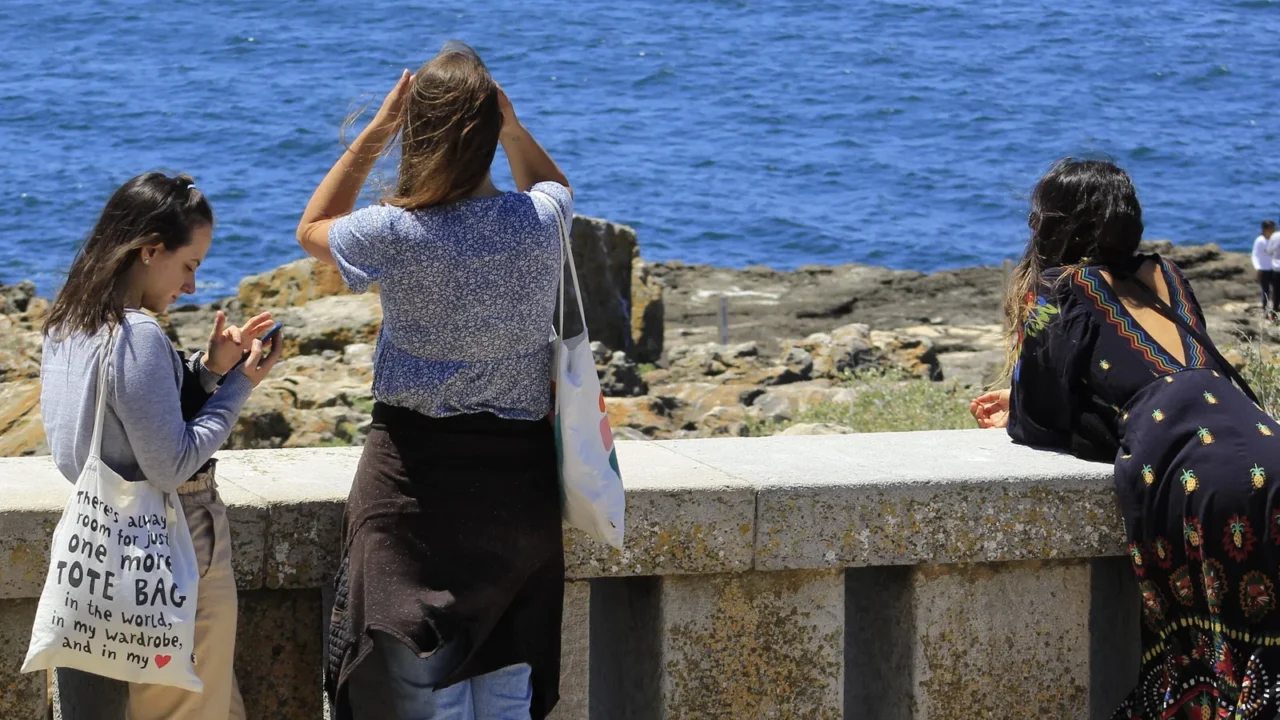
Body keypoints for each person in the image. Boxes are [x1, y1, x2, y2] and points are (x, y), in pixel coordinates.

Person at [297, 42, 573, 720]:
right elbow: (556, 186)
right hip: (518, 488)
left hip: (412, 488)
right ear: (487, 133)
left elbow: (312, 229)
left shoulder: (396, 231)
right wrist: (510, 125)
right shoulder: (537, 225)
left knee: (423, 695)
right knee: (506, 690)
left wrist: (378, 130)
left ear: (418, 135)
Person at [980, 157, 1280, 718]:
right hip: (1265, 440)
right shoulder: (1167, 274)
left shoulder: (1060, 288)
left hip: (1198, 469)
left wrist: (1012, 411)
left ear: (1054, 224)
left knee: (1215, 677)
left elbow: (1043, 415)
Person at [41, 171, 283, 719]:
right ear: (151, 250)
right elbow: (171, 464)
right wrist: (241, 384)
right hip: (171, 550)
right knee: (189, 709)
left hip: (101, 548)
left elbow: (117, 426)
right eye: (189, 264)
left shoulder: (65, 323)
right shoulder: (138, 334)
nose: (193, 285)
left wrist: (205, 374)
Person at [1252, 220, 1277, 320]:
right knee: (1266, 292)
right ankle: (1266, 313)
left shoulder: (1275, 239)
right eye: (1271, 228)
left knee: (1276, 292)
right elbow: (1255, 255)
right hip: (1264, 269)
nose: (1273, 230)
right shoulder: (1260, 240)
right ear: (1264, 229)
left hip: (1275, 269)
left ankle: (1275, 311)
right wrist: (1258, 268)